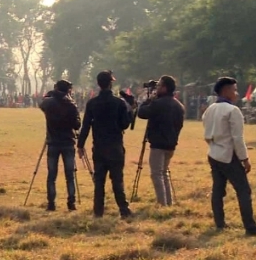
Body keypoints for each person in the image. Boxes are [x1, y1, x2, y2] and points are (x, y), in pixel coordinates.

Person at [202, 77, 256, 236]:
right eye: (234, 89)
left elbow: (206, 134)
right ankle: (250, 227)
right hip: (229, 155)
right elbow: (237, 138)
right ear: (225, 91)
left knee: (218, 190)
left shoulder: (210, 109)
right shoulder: (233, 111)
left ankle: (220, 223)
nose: (236, 93)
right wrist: (244, 159)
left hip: (213, 153)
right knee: (243, 190)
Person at [77, 71, 134, 219]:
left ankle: (98, 211)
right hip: (115, 146)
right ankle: (124, 210)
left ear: (98, 84)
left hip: (99, 147)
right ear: (110, 83)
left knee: (99, 181)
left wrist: (80, 145)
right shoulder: (119, 103)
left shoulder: (92, 103)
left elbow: (86, 126)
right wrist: (130, 113)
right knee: (117, 180)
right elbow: (124, 124)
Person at [137, 75, 185, 206]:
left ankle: (162, 203)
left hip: (158, 144)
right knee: (164, 173)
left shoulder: (158, 103)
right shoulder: (179, 105)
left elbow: (141, 113)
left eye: (159, 86)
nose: (156, 88)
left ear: (164, 88)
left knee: (156, 174)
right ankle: (168, 202)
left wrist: (149, 99)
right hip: (171, 143)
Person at [39, 80, 82, 211]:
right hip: (68, 142)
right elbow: (77, 125)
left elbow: (42, 103)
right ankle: (71, 202)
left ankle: (51, 203)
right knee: (70, 175)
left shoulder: (48, 103)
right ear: (68, 90)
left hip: (52, 142)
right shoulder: (71, 104)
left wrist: (53, 92)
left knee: (51, 175)